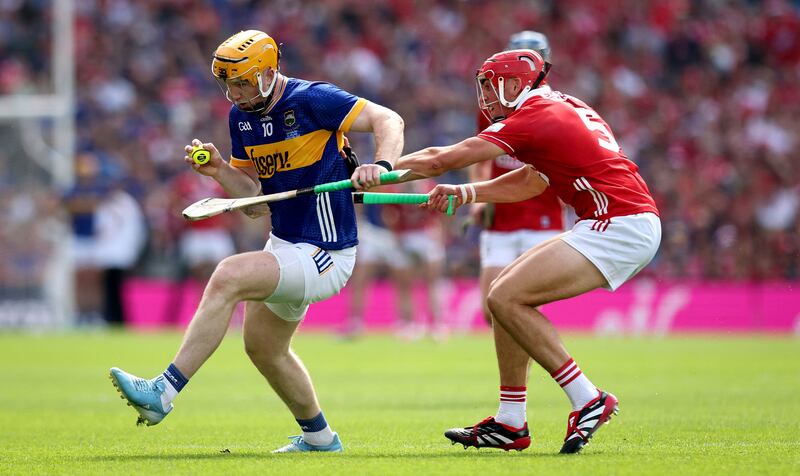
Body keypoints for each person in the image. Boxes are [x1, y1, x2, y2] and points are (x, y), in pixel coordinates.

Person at [109, 29, 404, 453]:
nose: (235, 92)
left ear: (268, 73)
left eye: (243, 81)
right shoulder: (241, 118)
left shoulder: (311, 100)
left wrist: (382, 162)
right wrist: (219, 172)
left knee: (229, 274)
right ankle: (320, 438)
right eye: (228, 83)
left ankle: (163, 391)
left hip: (326, 251)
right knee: (265, 349)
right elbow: (254, 204)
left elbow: (389, 120)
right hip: (284, 246)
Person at [384, 49, 661, 454]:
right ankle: (510, 422)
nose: (486, 99)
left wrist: (373, 170)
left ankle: (588, 398)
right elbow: (532, 182)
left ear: (514, 84)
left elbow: (440, 160)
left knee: (505, 296)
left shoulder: (534, 116)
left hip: (618, 224)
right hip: (616, 220)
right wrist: (467, 193)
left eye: (490, 87)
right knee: (502, 297)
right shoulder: (562, 104)